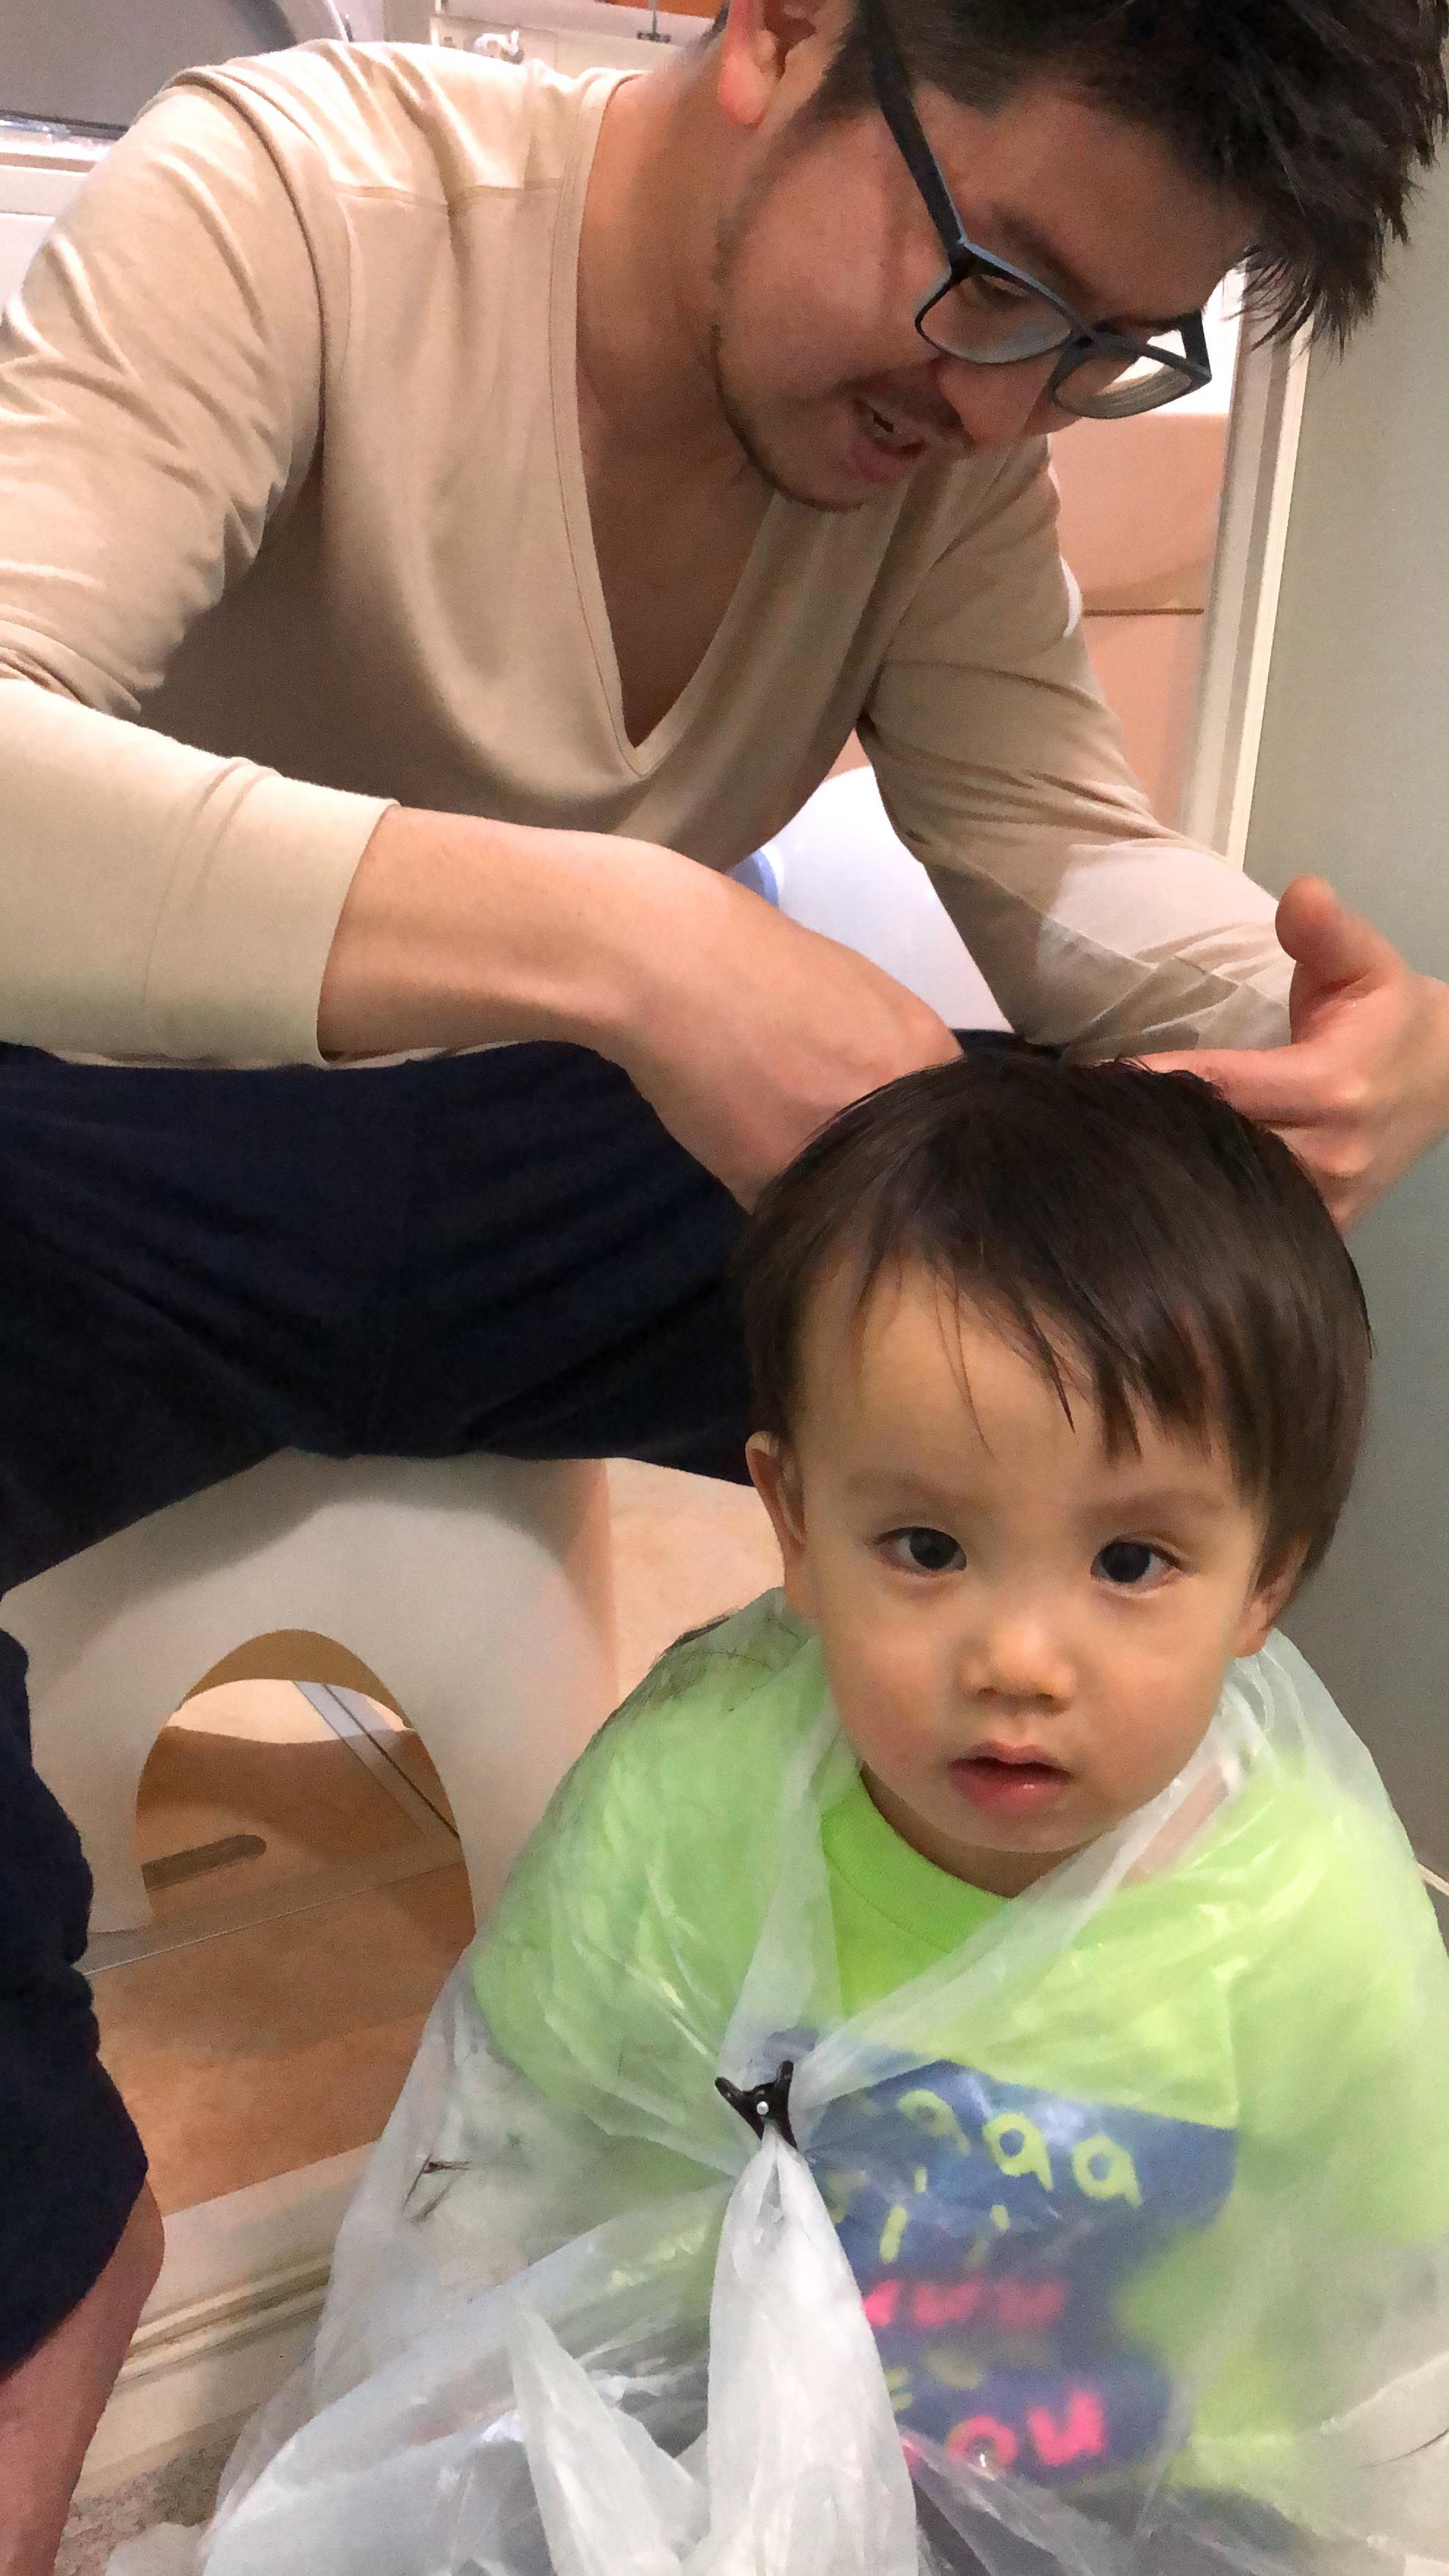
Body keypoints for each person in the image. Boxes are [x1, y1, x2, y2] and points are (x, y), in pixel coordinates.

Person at [2, 0, 1449, 2553]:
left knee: (1142, 1288)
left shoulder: (951, 456)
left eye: (1104, 351)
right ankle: (38, 2238)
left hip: (553, 1160)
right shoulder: (297, 198)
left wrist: (1284, 1023)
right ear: (784, 30)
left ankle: (1049, 2093)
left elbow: (1050, 839)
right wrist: (630, 942)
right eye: (999, 281)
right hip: (109, 1139)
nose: (1003, 408)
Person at [152, 1050, 1449, 2569]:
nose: (1019, 1661)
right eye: (925, 1545)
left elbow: (1377, 2313)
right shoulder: (693, 1803)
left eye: (1130, 1563)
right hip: (724, 2405)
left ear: (1266, 1582)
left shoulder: (1301, 1912)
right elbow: (513, 2151)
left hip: (1132, 2488)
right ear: (793, 1519)